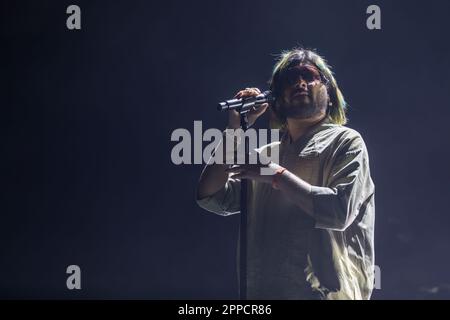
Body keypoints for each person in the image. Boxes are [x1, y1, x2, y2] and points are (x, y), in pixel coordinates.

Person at [196, 48, 375, 300]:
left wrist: (275, 175)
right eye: (289, 79)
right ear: (276, 99)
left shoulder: (346, 141)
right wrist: (234, 129)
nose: (299, 83)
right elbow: (210, 196)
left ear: (331, 95)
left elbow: (338, 209)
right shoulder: (265, 155)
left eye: (309, 75)